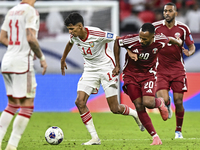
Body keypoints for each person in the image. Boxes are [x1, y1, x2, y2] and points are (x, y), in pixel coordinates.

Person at [60, 12, 145, 146]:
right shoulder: (74, 36)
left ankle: (135, 114)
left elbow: (118, 39)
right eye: (69, 29)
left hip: (106, 68)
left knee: (115, 108)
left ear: (80, 26)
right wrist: (63, 59)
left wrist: (123, 57)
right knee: (80, 102)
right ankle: (95, 138)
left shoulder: (97, 34)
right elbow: (70, 43)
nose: (70, 32)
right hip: (89, 70)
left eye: (72, 29)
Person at [113, 23, 182, 145]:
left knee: (148, 103)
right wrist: (118, 65)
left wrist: (179, 43)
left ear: (153, 37)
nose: (141, 40)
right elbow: (117, 42)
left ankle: (160, 102)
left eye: (144, 39)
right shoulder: (132, 40)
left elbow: (170, 40)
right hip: (130, 76)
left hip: (148, 75)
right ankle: (155, 137)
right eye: (140, 37)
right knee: (139, 106)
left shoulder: (160, 40)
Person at [0, 0, 47, 150]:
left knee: (12, 105)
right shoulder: (31, 11)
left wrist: (16, 47)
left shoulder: (12, 10)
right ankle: (12, 146)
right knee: (27, 106)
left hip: (7, 62)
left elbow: (2, 37)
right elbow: (31, 38)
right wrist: (41, 58)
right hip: (22, 64)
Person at [152, 2, 196, 139]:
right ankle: (166, 103)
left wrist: (190, 52)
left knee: (179, 102)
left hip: (177, 69)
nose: (167, 13)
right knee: (163, 100)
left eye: (170, 11)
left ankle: (178, 131)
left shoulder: (183, 28)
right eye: (165, 11)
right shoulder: (155, 27)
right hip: (161, 69)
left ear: (175, 13)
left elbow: (192, 46)